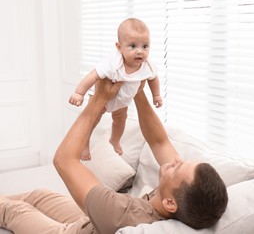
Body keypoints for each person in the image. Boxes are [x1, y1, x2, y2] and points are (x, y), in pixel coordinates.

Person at [0, 78, 228, 233]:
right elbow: (159, 140)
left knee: (14, 210)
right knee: (41, 194)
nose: (175, 160)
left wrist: (97, 100)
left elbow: (64, 160)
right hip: (92, 223)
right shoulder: (180, 203)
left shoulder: (121, 213)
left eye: (178, 167)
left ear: (170, 203)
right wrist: (138, 91)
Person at [69, 17, 162, 160]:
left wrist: (156, 95)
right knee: (92, 121)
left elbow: (153, 78)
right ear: (119, 47)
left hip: (122, 102)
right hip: (102, 100)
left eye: (145, 46)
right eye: (133, 46)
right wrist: (79, 93)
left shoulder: (147, 66)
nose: (140, 51)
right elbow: (93, 75)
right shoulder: (113, 63)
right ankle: (85, 144)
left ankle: (115, 140)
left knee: (120, 120)